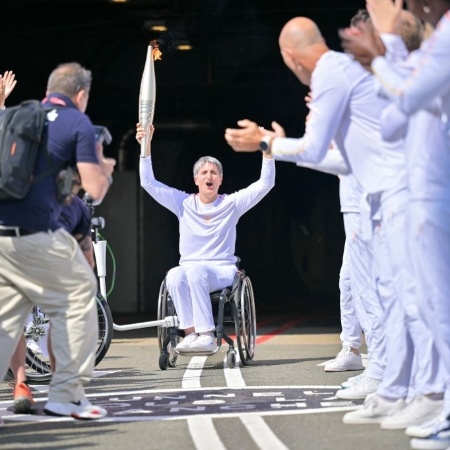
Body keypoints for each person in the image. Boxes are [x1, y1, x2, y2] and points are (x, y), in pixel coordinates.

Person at [340, 0, 450, 446]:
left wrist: (380, 57)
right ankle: (430, 395)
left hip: (431, 190)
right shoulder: (431, 44)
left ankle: (435, 398)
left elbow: (406, 99)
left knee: (433, 307)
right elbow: (390, 121)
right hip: (423, 189)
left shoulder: (443, 37)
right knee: (418, 302)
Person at [0, 62, 115, 423]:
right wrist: (105, 169)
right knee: (81, 293)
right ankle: (66, 395)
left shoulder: (18, 118)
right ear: (80, 95)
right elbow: (94, 188)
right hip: (36, 236)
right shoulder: (76, 122)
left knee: (5, 319)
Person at [136, 123, 275, 353]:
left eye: (214, 173)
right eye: (204, 172)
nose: (209, 176)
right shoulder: (182, 203)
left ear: (220, 180)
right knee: (174, 275)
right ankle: (190, 334)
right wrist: (146, 145)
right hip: (192, 269)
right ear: (196, 180)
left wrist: (267, 151)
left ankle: (208, 335)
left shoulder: (231, 204)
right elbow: (148, 183)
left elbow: (265, 184)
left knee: (196, 272)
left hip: (222, 270)